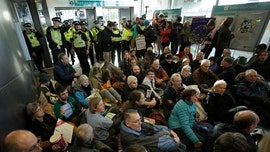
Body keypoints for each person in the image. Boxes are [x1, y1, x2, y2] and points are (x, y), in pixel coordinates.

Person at [120, 109, 186, 152]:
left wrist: (169, 131)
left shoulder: (136, 124)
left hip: (150, 143)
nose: (140, 122)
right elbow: (156, 142)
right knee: (171, 144)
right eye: (136, 121)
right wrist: (176, 142)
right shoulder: (129, 138)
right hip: (146, 148)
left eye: (140, 119)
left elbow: (155, 127)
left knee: (166, 134)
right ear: (128, 123)